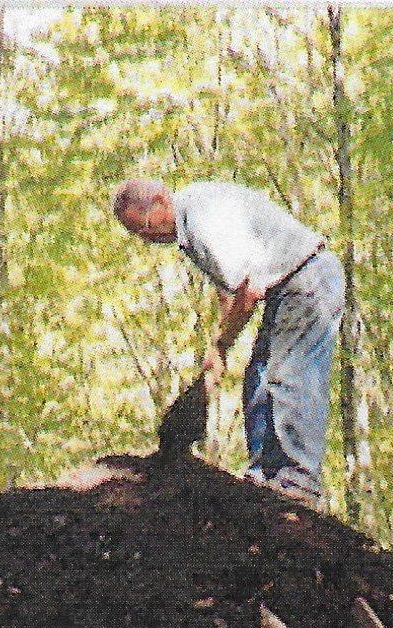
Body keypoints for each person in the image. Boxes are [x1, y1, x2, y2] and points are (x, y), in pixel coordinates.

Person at [113, 177, 343, 506]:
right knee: (259, 379)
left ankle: (300, 479)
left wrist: (221, 346)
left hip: (308, 281)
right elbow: (229, 288)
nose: (147, 238)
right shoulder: (188, 229)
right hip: (286, 291)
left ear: (162, 201)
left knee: (291, 375)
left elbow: (247, 292)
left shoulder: (203, 219)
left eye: (146, 226)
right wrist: (217, 355)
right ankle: (265, 475)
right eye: (138, 235)